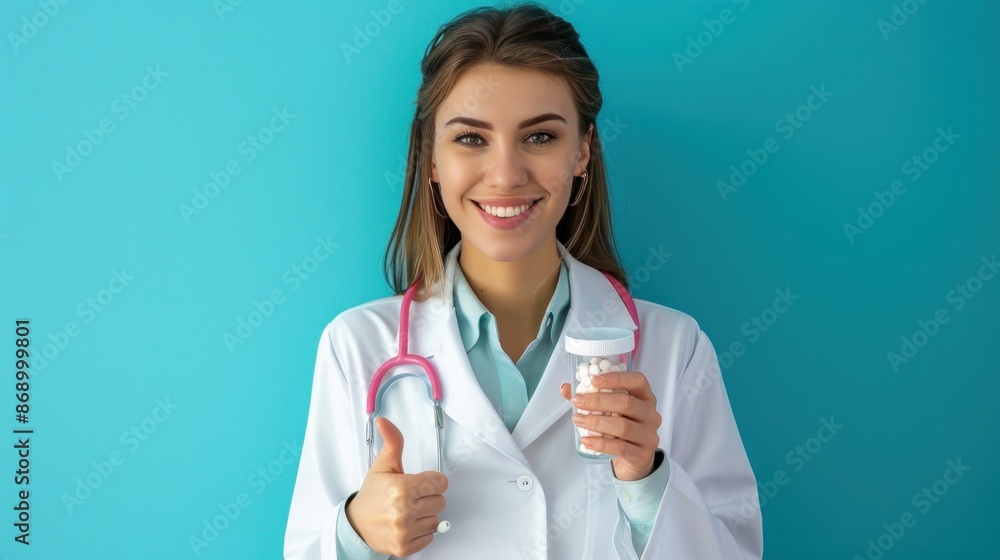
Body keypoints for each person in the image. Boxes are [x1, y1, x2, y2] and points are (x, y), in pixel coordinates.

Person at [284, 3, 762, 559]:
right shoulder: (356, 347)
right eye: (470, 139)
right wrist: (357, 534)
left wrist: (645, 479)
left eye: (539, 138)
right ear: (430, 158)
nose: (507, 175)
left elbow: (736, 552)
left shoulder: (675, 349)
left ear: (582, 152)